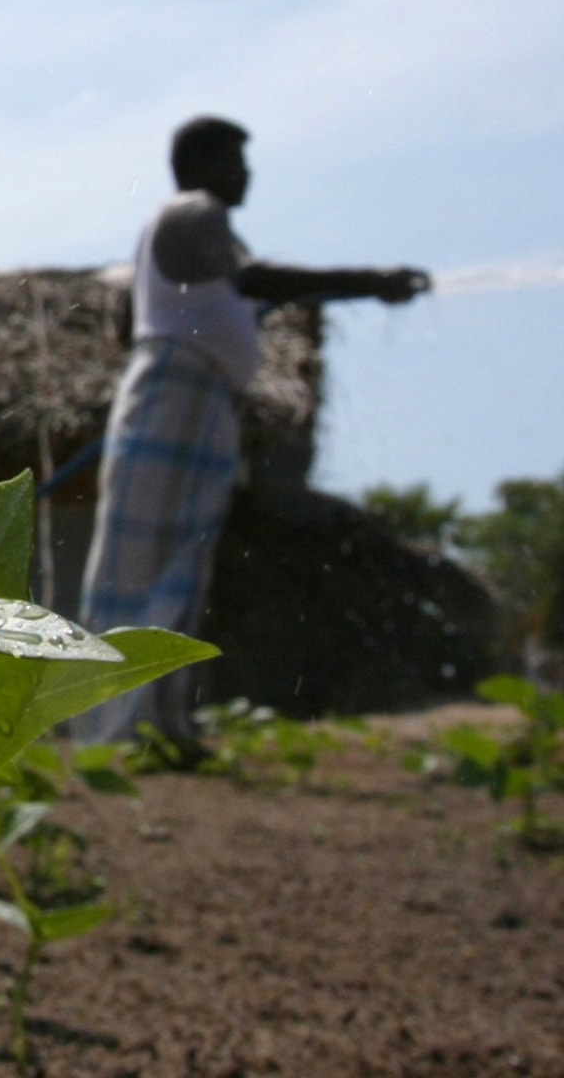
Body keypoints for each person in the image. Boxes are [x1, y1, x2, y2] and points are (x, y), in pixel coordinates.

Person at [74, 115, 429, 746]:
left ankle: (153, 726)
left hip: (195, 396)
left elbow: (129, 324)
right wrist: (371, 282)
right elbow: (252, 279)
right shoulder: (194, 210)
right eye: (236, 159)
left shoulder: (189, 233)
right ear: (203, 165)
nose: (247, 173)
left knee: (172, 559)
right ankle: (120, 729)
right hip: (178, 393)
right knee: (151, 559)